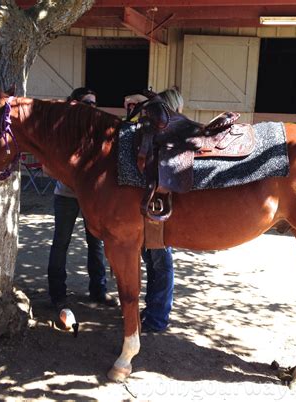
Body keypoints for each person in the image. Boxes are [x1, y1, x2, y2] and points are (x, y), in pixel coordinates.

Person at [47, 87, 117, 309]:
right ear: (75, 103)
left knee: (96, 244)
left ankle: (99, 291)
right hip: (67, 195)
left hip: (92, 198)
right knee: (61, 243)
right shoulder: (62, 130)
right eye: (88, 102)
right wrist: (74, 180)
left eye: (95, 103)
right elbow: (48, 167)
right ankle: (57, 295)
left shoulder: (96, 130)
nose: (93, 107)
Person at [125, 88, 183, 333]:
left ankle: (157, 316)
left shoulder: (163, 138)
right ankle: (154, 312)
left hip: (157, 207)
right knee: (154, 260)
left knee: (159, 261)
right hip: (153, 206)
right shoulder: (158, 136)